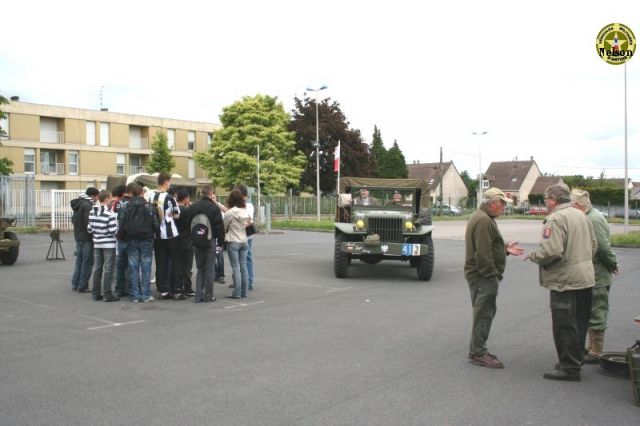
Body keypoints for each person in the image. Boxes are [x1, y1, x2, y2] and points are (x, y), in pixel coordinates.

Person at [526, 183, 597, 381]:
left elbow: (551, 250)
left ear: (553, 200)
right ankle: (575, 360)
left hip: (565, 280)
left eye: (546, 199)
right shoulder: (581, 214)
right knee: (579, 322)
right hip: (585, 278)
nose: (545, 202)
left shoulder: (556, 218)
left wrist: (534, 255)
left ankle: (569, 368)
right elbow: (594, 245)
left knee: (564, 324)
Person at [464, 187, 523, 369]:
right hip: (483, 276)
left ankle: (478, 349)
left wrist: (503, 249)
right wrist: (492, 275)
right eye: (502, 204)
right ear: (493, 203)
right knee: (484, 313)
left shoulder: (483, 217)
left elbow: (487, 246)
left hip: (481, 275)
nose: (503, 207)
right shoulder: (483, 220)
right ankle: (478, 352)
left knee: (484, 312)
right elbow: (482, 254)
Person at [570, 188, 619, 363]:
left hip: (598, 273)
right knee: (590, 310)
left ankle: (597, 350)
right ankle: (591, 346)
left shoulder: (593, 219)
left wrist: (613, 264)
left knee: (597, 310)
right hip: (592, 272)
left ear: (577, 205)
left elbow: (603, 247)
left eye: (571, 204)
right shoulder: (589, 215)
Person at [121, 184, 158, 303]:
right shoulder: (149, 206)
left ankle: (135, 295)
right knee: (146, 267)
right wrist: (155, 233)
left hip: (131, 238)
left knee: (133, 267)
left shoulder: (126, 206)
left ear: (132, 193)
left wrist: (122, 236)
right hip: (146, 238)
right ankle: (146, 294)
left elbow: (121, 222)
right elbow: (155, 222)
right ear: (142, 193)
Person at [189, 185, 225, 303]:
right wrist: (221, 241)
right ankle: (209, 296)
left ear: (202, 193)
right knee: (210, 268)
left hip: (197, 240)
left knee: (200, 269)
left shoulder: (193, 207)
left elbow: (189, 223)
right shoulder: (214, 207)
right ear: (211, 193)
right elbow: (219, 226)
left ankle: (198, 295)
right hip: (210, 240)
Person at [152, 172, 182, 300]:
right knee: (175, 261)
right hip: (170, 233)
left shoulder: (150, 195)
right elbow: (177, 214)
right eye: (169, 182)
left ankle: (162, 289)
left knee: (160, 261)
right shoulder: (169, 197)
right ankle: (176, 289)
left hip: (156, 234)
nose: (170, 184)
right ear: (165, 181)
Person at [87, 190, 119, 302]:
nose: (111, 200)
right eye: (110, 198)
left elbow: (89, 229)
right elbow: (112, 231)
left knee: (97, 268)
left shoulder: (92, 212)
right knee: (108, 269)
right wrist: (117, 225)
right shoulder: (109, 214)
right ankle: (107, 293)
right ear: (106, 199)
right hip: (108, 244)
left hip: (97, 243)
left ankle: (95, 293)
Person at [70, 187, 99, 292]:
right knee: (87, 262)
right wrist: (93, 234)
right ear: (92, 196)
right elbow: (89, 223)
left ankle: (75, 283)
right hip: (87, 238)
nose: (97, 199)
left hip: (78, 236)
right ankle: (83, 285)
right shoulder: (87, 205)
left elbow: (73, 220)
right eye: (97, 196)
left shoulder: (78, 204)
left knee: (79, 261)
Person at [224, 189, 251, 299]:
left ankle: (236, 293)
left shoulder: (229, 213)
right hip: (244, 241)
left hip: (233, 242)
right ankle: (244, 292)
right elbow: (249, 223)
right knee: (243, 267)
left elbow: (224, 227)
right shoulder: (245, 211)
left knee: (236, 268)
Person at [114, 183, 134, 297]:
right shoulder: (131, 203)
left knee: (120, 265)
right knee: (131, 264)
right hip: (130, 237)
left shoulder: (117, 203)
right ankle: (130, 288)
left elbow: (115, 219)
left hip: (119, 236)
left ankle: (119, 288)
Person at [174, 189, 195, 297]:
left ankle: (178, 287)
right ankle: (188, 288)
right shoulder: (188, 211)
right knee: (187, 266)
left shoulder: (174, 210)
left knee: (178, 265)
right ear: (186, 198)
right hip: (187, 240)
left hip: (176, 239)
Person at [235, 184, 255, 290]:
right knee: (239, 259)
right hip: (238, 235)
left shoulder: (249, 205)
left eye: (237, 193)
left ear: (244, 195)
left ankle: (249, 282)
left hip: (246, 236)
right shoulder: (236, 205)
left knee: (246, 258)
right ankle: (240, 281)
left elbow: (249, 221)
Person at [211, 190, 228, 285]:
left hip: (219, 236)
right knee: (212, 258)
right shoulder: (208, 207)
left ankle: (221, 275)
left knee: (220, 257)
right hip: (211, 236)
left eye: (214, 197)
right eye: (211, 198)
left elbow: (226, 212)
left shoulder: (219, 207)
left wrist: (216, 203)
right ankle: (215, 274)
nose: (212, 199)